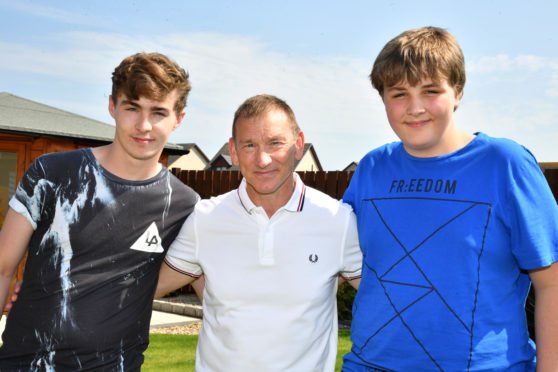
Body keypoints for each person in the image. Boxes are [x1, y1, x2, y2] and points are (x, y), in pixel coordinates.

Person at [341, 26, 558, 371]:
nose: (414, 108)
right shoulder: (371, 168)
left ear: (457, 92)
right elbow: (343, 259)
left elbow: (552, 284)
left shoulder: (505, 164)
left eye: (430, 91)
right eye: (398, 94)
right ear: (382, 98)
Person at [0, 52, 199, 371]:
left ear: (179, 119)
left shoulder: (184, 205)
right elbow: (2, 267)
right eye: (132, 108)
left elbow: (211, 282)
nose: (144, 125)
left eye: (159, 112)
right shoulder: (51, 174)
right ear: (112, 106)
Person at [156, 94, 362, 371]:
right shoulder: (206, 219)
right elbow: (146, 288)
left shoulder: (338, 220)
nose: (263, 159)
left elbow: (388, 299)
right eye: (249, 145)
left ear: (298, 145)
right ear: (234, 151)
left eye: (275, 143)